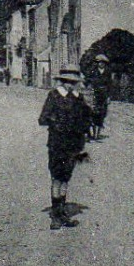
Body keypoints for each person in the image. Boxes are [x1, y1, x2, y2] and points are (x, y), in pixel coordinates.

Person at [38, 68, 92, 230]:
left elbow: (86, 118)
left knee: (66, 177)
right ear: (63, 82)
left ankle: (62, 213)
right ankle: (56, 215)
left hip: (73, 144)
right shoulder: (53, 96)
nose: (71, 85)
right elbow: (43, 118)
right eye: (68, 82)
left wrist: (84, 125)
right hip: (57, 143)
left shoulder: (78, 98)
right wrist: (57, 123)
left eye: (73, 83)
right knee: (56, 177)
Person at [81, 52, 112, 140]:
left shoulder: (107, 72)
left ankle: (97, 133)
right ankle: (94, 134)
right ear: (97, 63)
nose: (101, 64)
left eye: (102, 62)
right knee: (94, 114)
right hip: (94, 95)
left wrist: (109, 97)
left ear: (105, 64)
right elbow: (86, 81)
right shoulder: (93, 71)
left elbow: (110, 85)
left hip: (104, 96)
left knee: (102, 114)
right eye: (99, 62)